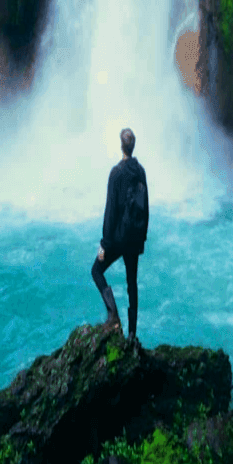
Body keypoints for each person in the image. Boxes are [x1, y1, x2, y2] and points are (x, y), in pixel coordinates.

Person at [92, 127, 148, 341]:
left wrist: (104, 245)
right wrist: (142, 237)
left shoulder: (116, 173)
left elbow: (110, 211)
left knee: (96, 270)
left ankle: (113, 315)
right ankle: (132, 334)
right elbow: (145, 205)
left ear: (121, 145)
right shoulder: (141, 171)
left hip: (118, 238)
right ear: (133, 146)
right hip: (134, 237)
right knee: (132, 283)